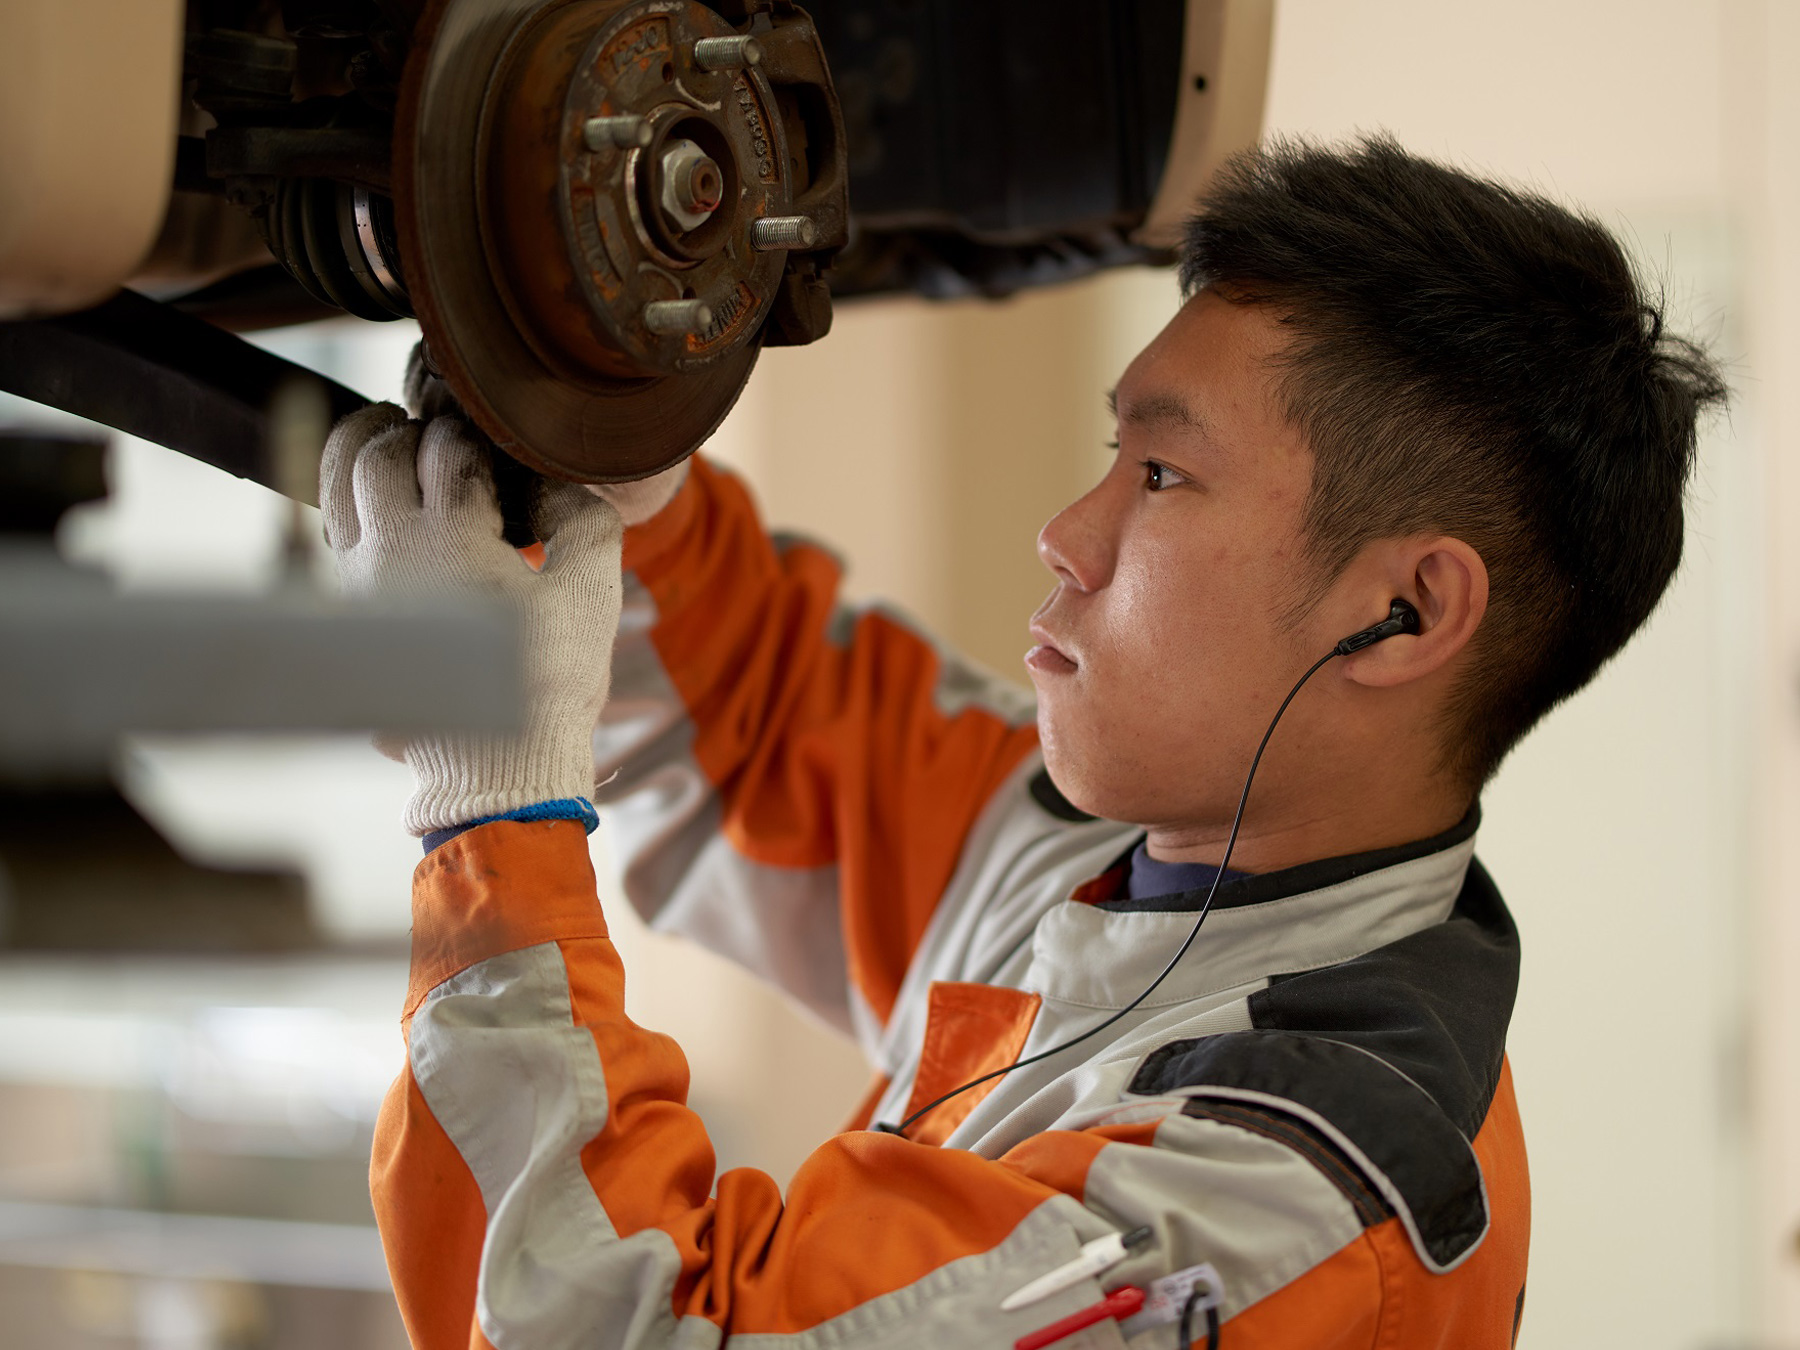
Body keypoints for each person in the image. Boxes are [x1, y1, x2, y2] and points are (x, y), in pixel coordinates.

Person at [324, 136, 1726, 1348]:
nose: (1066, 533)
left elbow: (627, 1324)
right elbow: (767, 717)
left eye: (1164, 475)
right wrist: (613, 482)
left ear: (1406, 612)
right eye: (1115, 453)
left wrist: (487, 805)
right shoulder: (1118, 857)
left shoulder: (1283, 1201)